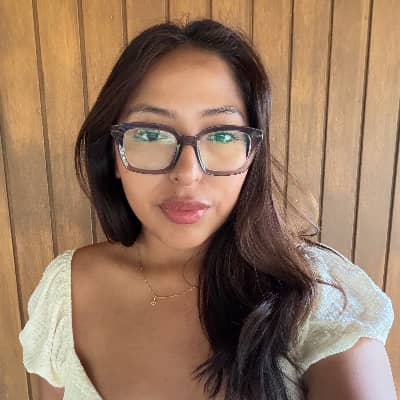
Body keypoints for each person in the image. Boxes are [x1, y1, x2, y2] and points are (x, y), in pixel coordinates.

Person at [18, 18, 396, 400]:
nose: (187, 174)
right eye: (150, 134)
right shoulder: (64, 293)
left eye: (222, 134)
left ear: (252, 155)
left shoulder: (316, 293)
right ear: (113, 155)